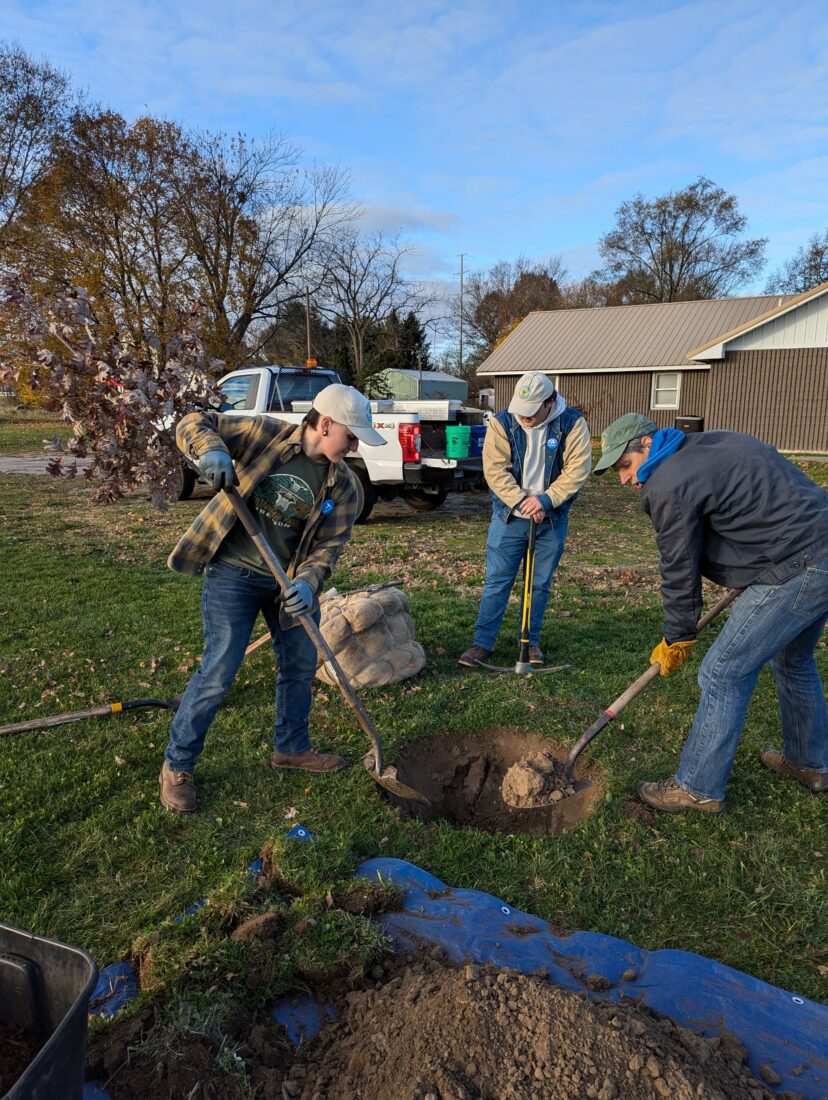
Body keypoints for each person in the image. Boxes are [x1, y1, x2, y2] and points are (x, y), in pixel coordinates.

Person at [159, 384, 386, 813]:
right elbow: (192, 422)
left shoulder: (346, 487)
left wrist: (308, 583)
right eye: (351, 437)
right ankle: (178, 765)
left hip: (288, 584)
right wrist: (212, 451)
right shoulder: (264, 435)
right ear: (325, 424)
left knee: (299, 665)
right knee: (219, 670)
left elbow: (327, 549)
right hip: (234, 574)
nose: (355, 446)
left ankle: (292, 748)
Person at [595, 413, 828, 815]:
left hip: (799, 563)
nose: (625, 481)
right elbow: (762, 500)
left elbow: (679, 567)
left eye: (625, 466)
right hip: (819, 541)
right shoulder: (709, 443)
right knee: (793, 658)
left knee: (723, 671)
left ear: (646, 446)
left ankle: (698, 786)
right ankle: (808, 763)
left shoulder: (669, 484)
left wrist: (678, 634)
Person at [459, 371, 591, 668]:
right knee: (497, 581)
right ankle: (482, 643)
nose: (525, 417)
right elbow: (494, 470)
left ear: (550, 402)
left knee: (539, 583)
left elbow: (577, 470)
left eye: (532, 412)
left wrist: (546, 500)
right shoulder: (503, 422)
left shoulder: (571, 423)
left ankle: (531, 642)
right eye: (521, 410)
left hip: (551, 517)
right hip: (509, 516)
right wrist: (522, 502)